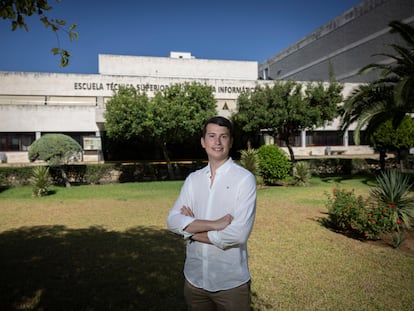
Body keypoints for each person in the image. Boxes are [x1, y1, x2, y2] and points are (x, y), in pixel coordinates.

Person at [167, 116, 257, 311]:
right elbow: (173, 221)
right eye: (212, 136)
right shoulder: (193, 179)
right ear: (203, 141)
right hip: (194, 280)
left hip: (230, 283)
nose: (217, 142)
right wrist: (216, 224)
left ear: (231, 142)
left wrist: (191, 230)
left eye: (223, 137)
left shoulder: (244, 179)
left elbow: (238, 234)